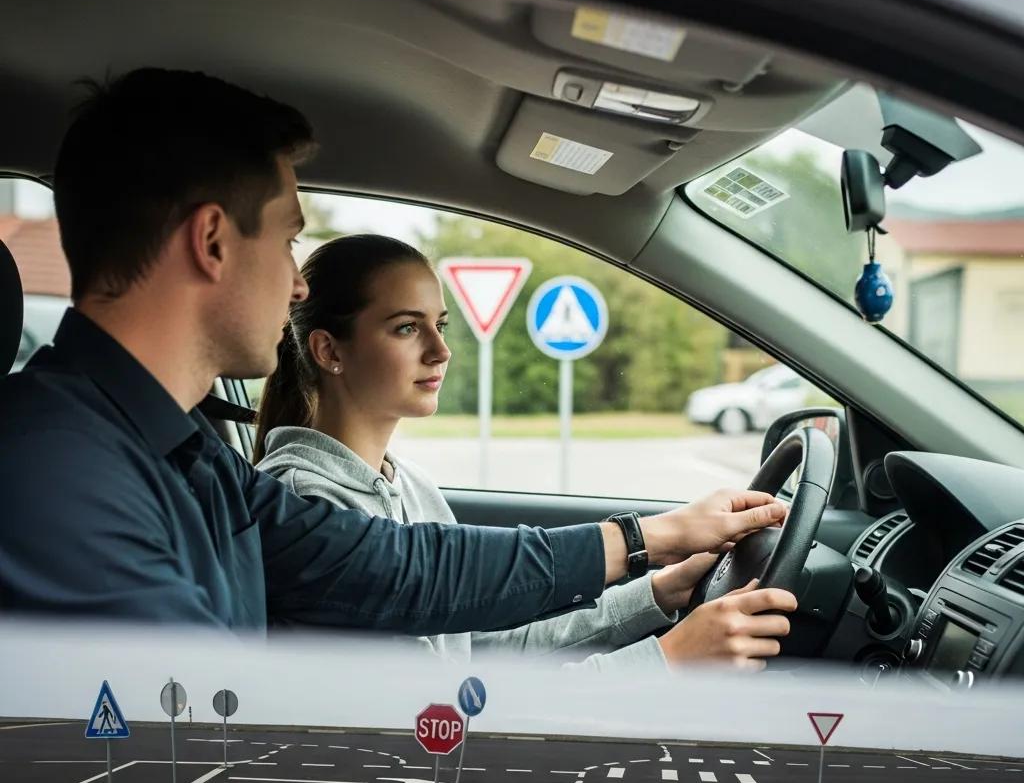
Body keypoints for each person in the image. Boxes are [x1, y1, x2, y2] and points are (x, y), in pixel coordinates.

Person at [0, 68, 795, 644]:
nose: (293, 282)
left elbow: (396, 568)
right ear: (211, 242)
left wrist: (650, 542)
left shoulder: (185, 446)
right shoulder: (54, 470)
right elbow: (180, 761)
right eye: (287, 239)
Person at [255, 235, 793, 670]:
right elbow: (437, 722)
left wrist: (655, 594)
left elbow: (471, 653)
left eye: (439, 326)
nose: (441, 351)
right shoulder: (306, 500)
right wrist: (668, 660)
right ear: (329, 350)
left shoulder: (407, 484)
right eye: (405, 327)